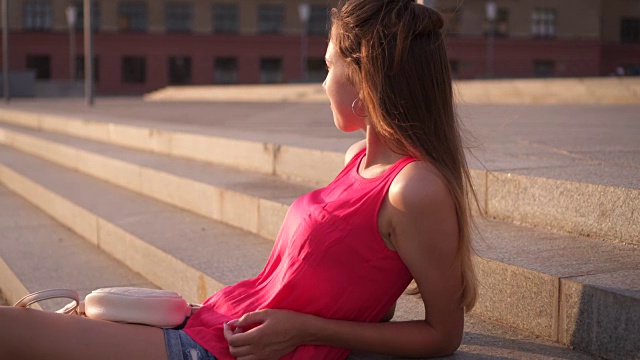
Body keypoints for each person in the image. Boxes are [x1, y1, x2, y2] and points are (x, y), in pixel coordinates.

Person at [0, 0, 478, 359]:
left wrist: (306, 329)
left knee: (14, 332)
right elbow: (364, 282)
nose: (323, 81)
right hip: (209, 320)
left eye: (329, 66)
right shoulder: (358, 158)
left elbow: (443, 334)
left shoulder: (414, 188)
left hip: (223, 352)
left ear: (364, 77)